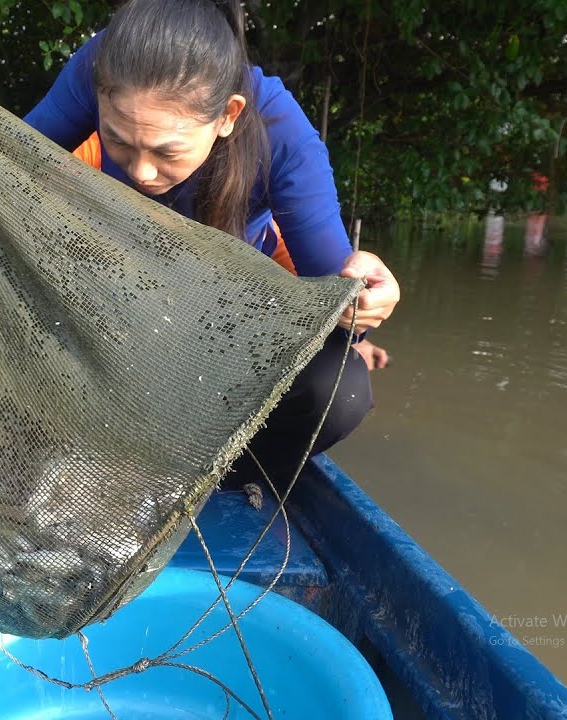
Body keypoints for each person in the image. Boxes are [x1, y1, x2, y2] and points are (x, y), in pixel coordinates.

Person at [20, 0, 399, 470]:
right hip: (113, 296)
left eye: (167, 151)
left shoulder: (284, 136)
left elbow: (336, 293)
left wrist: (364, 298)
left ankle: (214, 475)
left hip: (228, 319)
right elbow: (12, 167)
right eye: (118, 140)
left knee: (338, 389)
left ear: (228, 116)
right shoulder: (96, 67)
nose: (141, 171)